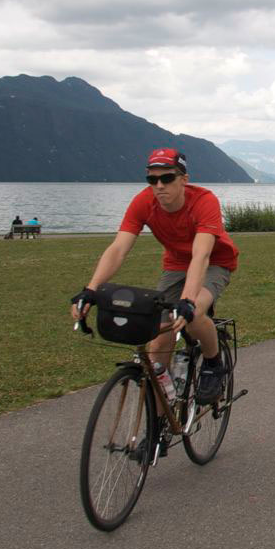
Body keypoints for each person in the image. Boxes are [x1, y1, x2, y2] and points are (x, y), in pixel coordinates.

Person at [70, 148, 238, 403]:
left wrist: (188, 300)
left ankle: (214, 364)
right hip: (174, 265)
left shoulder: (204, 201)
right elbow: (118, 249)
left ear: (184, 179)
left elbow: (201, 256)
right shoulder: (143, 202)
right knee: (157, 343)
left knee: (193, 314)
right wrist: (91, 289)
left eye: (167, 178)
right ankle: (157, 433)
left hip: (215, 261)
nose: (159, 186)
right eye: (152, 179)